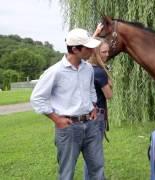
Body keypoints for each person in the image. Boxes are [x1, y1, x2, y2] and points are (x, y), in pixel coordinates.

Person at [30, 28, 105, 180]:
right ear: (75, 49)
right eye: (88, 47)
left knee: (97, 169)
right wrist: (56, 119)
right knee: (66, 173)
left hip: (91, 126)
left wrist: (93, 106)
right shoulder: (55, 71)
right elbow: (37, 98)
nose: (92, 50)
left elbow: (91, 89)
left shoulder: (88, 68)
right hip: (69, 129)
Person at [83, 23, 113, 180]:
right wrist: (109, 81)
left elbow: (85, 49)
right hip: (98, 117)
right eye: (103, 52)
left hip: (87, 116)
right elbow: (109, 95)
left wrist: (95, 33)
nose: (107, 54)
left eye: (108, 51)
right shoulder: (100, 73)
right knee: (94, 156)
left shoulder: (86, 68)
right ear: (96, 52)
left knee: (90, 154)